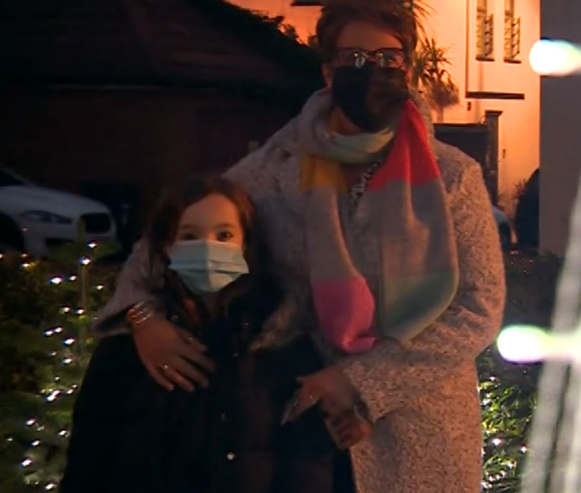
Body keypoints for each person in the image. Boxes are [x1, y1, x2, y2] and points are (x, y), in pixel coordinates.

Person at [93, 0, 506, 493]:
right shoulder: (274, 169)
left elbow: (479, 307)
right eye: (354, 57)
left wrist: (362, 381)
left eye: (387, 56)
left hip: (419, 431)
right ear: (329, 71)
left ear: (407, 66)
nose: (372, 69)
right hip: (303, 431)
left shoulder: (451, 176)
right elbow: (167, 239)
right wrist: (142, 317)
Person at [62, 177, 367, 493]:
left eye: (224, 235)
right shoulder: (128, 345)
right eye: (190, 236)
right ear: (168, 247)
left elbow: (307, 464)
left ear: (245, 244)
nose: (208, 247)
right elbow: (91, 452)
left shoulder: (282, 341)